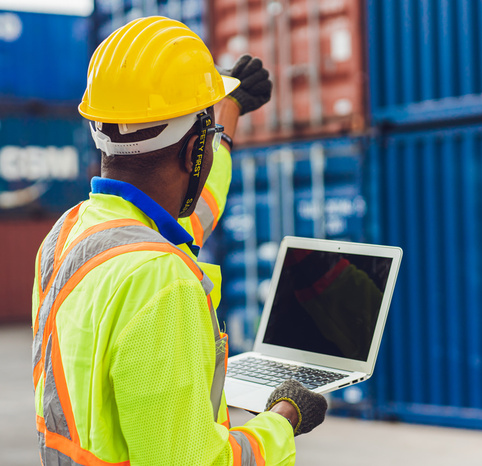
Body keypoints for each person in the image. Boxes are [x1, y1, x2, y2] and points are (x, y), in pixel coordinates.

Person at [31, 16, 326, 466]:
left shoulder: (70, 236)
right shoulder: (162, 281)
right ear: (194, 152)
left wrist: (228, 111)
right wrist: (285, 417)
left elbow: (196, 207)